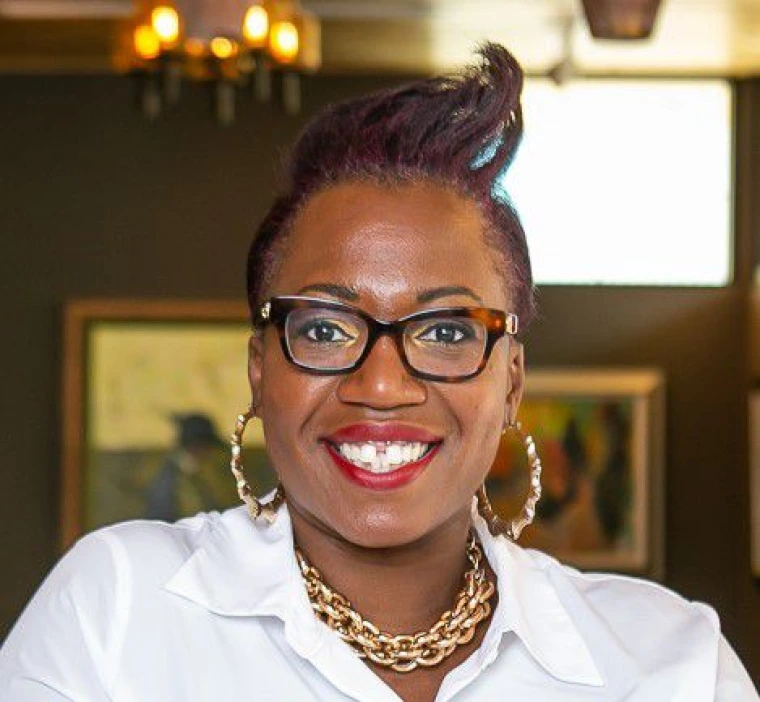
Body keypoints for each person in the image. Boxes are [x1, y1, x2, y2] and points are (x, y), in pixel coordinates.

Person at [0, 44, 756, 702]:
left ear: (512, 381)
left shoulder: (671, 664)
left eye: (447, 330)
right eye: (326, 329)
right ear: (261, 371)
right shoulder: (118, 613)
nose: (383, 385)